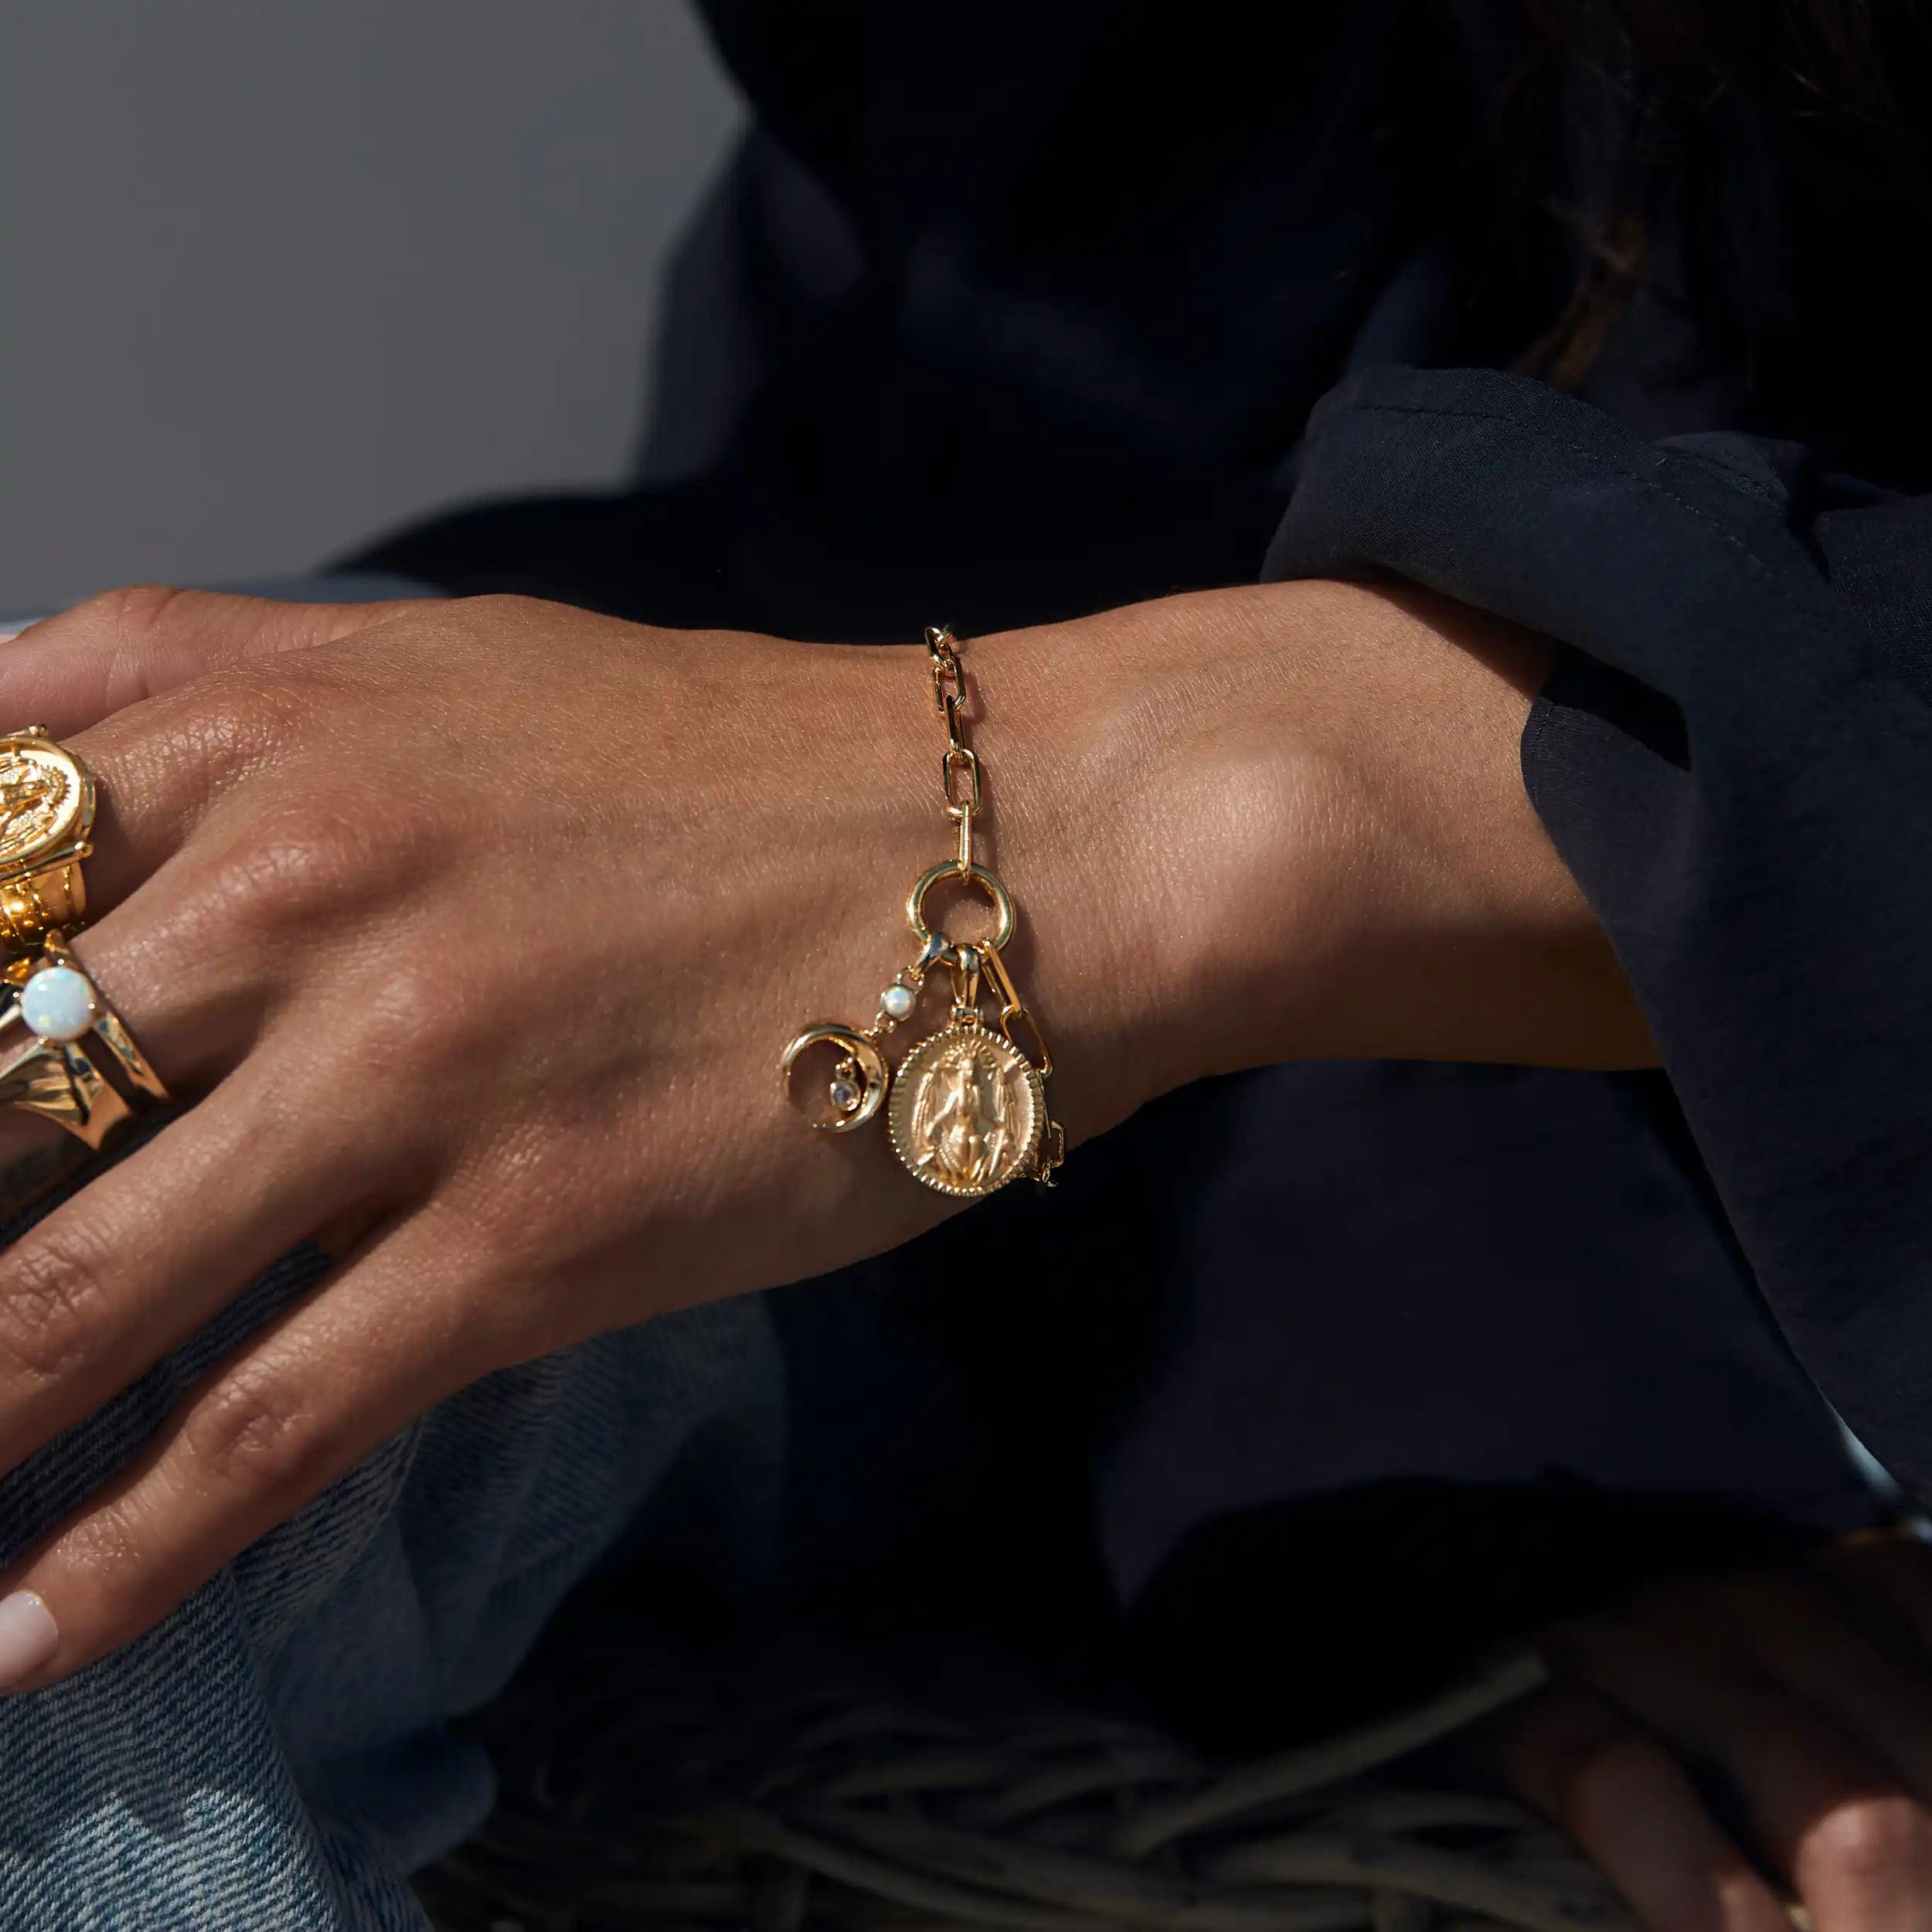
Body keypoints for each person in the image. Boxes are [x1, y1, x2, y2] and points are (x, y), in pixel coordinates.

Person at [5, 3, 1932, 1927]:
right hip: (866, 743)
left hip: (1758, 1033)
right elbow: (1046, 371)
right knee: (90, 1133)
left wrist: (1280, 774)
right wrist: (1476, 1371)